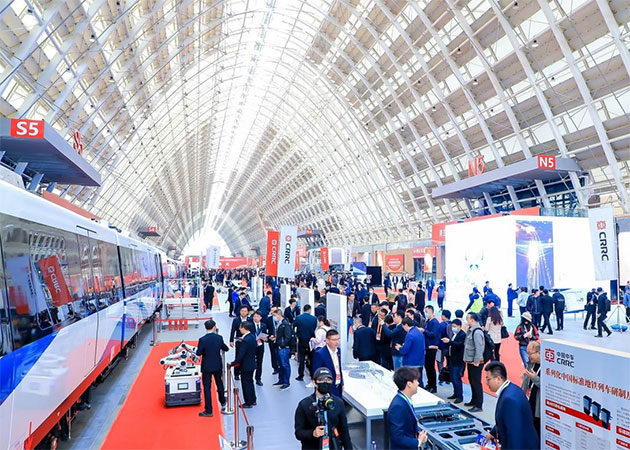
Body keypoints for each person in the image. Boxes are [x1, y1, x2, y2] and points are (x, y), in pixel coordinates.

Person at [485, 361, 540, 450]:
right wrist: (493, 433)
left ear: (498, 379)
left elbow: (515, 435)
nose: (486, 383)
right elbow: (505, 419)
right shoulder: (511, 389)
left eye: (488, 379)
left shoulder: (509, 400)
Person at [294, 367, 353, 450]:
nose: (325, 382)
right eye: (321, 380)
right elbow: (299, 433)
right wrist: (313, 433)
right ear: (314, 382)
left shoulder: (338, 403)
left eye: (328, 380)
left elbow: (344, 431)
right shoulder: (304, 405)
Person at [387, 367, 429, 450]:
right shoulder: (398, 406)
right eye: (416, 380)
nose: (418, 383)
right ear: (409, 384)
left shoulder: (404, 400)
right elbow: (397, 437)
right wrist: (418, 441)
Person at [196, 319, 229, 417]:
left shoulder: (202, 339)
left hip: (206, 366)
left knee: (207, 387)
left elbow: (198, 353)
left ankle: (209, 410)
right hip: (217, 365)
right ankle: (223, 401)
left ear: (205, 328)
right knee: (219, 383)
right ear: (214, 327)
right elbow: (225, 348)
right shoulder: (219, 338)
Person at [232, 322, 257, 407]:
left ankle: (248, 402)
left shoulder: (245, 341)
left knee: (245, 384)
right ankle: (253, 399)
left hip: (245, 365)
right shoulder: (252, 337)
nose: (239, 329)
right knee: (250, 382)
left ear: (243, 328)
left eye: (240, 328)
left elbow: (241, 354)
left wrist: (233, 363)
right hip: (252, 363)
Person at [312, 330, 343, 398]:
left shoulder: (338, 351)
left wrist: (342, 383)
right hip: (327, 388)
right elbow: (316, 373)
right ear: (327, 340)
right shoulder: (320, 354)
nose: (337, 342)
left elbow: (339, 368)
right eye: (334, 340)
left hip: (338, 386)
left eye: (338, 339)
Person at [395, 318, 425, 388]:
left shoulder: (410, 335)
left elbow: (405, 350)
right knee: (419, 381)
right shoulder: (419, 332)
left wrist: (400, 348)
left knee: (411, 382)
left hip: (410, 363)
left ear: (405, 325)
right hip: (420, 361)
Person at [464, 312, 484, 412]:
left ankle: (478, 404)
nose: (466, 321)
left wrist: (477, 361)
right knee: (472, 380)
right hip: (470, 360)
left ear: (472, 320)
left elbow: (479, 348)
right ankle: (474, 400)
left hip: (476, 362)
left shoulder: (477, 332)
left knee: (476, 382)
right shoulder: (471, 330)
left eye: (467, 319)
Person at [442, 318, 465, 403]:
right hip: (452, 359)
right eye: (452, 326)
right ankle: (455, 393)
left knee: (456, 378)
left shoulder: (462, 335)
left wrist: (449, 342)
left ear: (459, 326)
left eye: (454, 326)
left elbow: (459, 344)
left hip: (458, 360)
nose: (453, 328)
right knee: (453, 377)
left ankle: (459, 396)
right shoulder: (454, 334)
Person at [521, 341, 541, 437]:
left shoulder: (547, 367)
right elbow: (525, 382)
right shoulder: (530, 364)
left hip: (538, 407)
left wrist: (535, 378)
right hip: (528, 402)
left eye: (530, 353)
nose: (528, 356)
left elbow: (547, 386)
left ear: (539, 353)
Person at [294, 305, 318, 381]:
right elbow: (315, 328)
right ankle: (312, 374)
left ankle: (301, 375)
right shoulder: (314, 318)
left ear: (303, 309)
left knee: (301, 359)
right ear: (310, 310)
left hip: (301, 340)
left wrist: (296, 335)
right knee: (311, 358)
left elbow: (293, 326)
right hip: (311, 341)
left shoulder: (298, 318)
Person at [271, 309, 292, 390]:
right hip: (278, 346)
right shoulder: (279, 324)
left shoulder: (285, 324)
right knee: (280, 364)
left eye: (274, 315)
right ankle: (281, 380)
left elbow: (287, 336)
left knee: (285, 365)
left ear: (279, 315)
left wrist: (282, 345)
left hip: (283, 348)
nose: (274, 317)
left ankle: (286, 382)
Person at [229, 305, 251, 380]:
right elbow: (232, 330)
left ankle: (244, 371)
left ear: (247, 312)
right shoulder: (236, 320)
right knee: (238, 356)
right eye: (242, 311)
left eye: (245, 311)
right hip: (239, 341)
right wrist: (231, 340)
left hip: (247, 342)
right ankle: (236, 373)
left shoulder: (250, 320)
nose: (243, 312)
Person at [422, 305, 440, 393]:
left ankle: (433, 385)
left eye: (427, 311)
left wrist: (424, 331)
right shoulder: (428, 321)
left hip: (432, 346)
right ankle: (429, 383)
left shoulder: (434, 322)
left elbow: (433, 334)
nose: (426, 313)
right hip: (427, 346)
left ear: (431, 310)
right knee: (427, 366)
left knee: (431, 366)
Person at [252, 311, 268, 386]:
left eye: (257, 316)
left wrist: (265, 338)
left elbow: (265, 334)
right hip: (252, 346)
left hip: (260, 346)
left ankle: (258, 379)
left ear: (261, 317)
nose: (256, 318)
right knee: (251, 362)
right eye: (254, 316)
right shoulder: (250, 325)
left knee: (259, 362)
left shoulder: (263, 325)